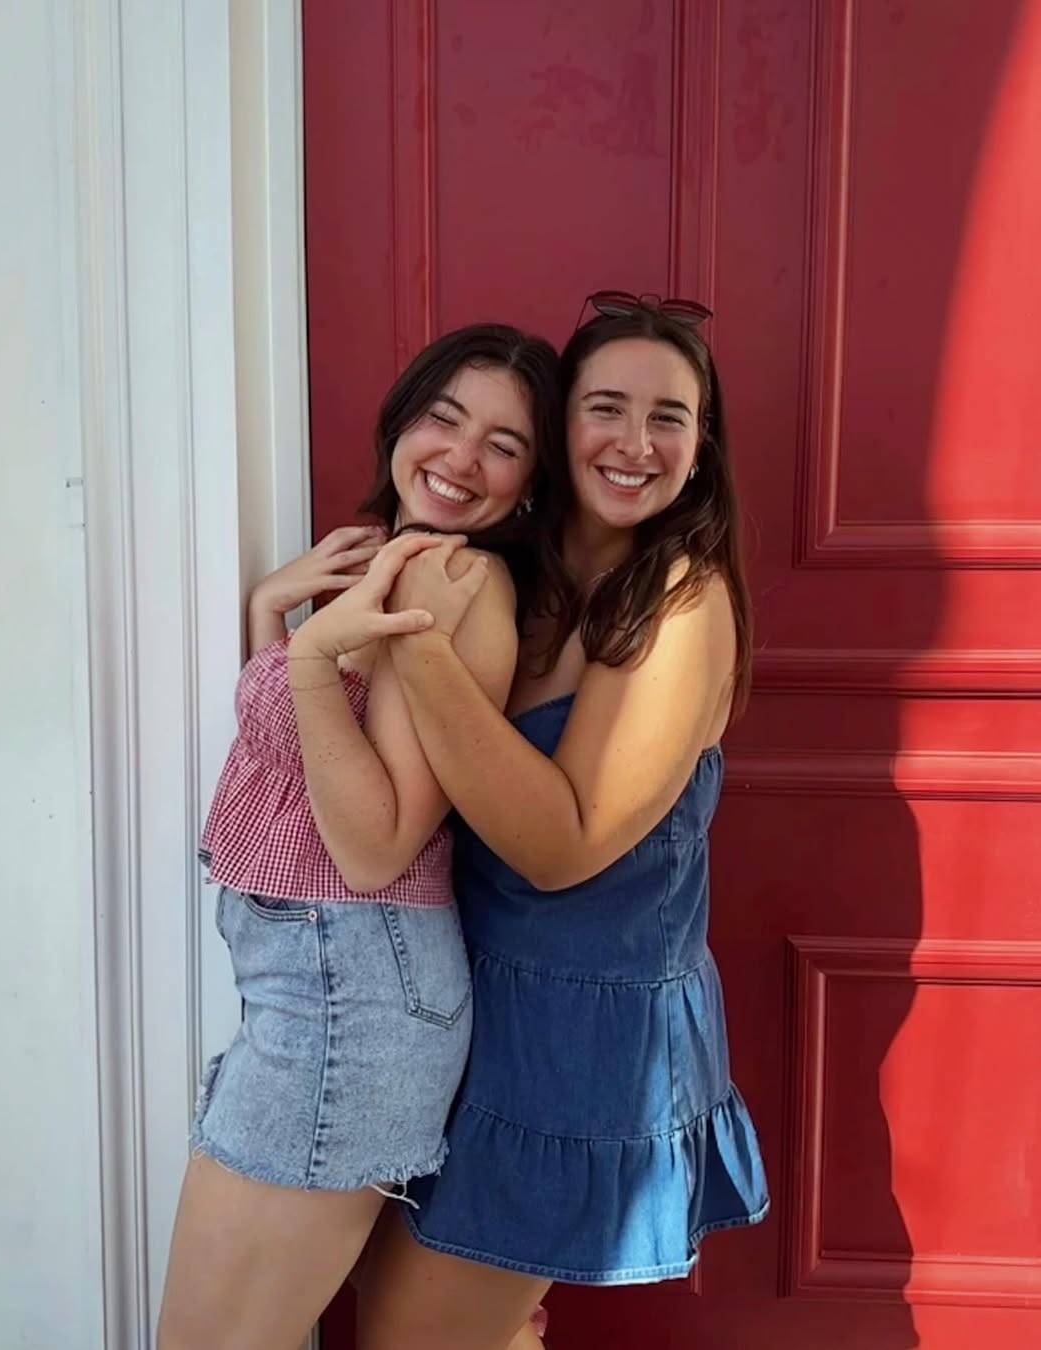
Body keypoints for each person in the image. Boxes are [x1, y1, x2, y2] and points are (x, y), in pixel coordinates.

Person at [356, 294, 771, 1350]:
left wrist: (411, 635)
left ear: (701, 447)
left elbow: (559, 848)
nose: (635, 443)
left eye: (669, 417)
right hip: (464, 1004)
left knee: (411, 1338)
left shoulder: (681, 598)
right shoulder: (519, 576)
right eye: (606, 408)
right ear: (559, 427)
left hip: (581, 1041)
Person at [156, 324, 562, 1350]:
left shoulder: (451, 586)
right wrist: (273, 615)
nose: (461, 458)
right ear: (402, 420)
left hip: (347, 991)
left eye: (504, 445)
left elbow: (376, 845)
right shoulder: (396, 564)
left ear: (530, 486)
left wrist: (306, 660)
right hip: (325, 985)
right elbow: (307, 771)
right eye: (444, 417)